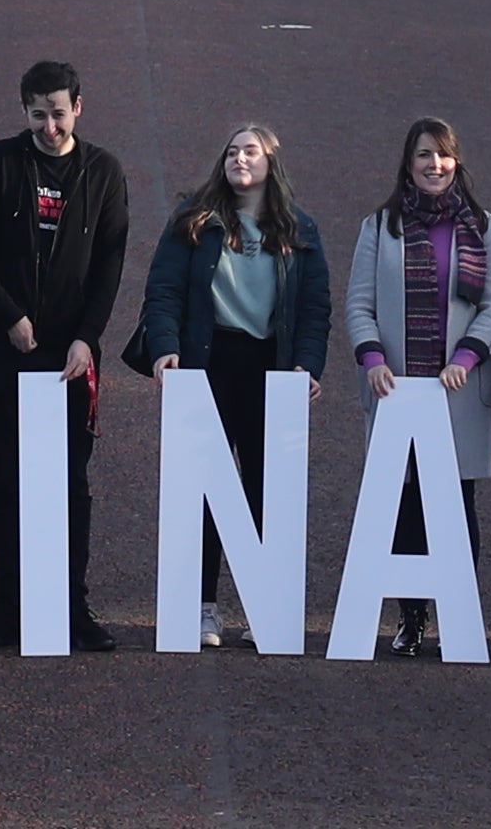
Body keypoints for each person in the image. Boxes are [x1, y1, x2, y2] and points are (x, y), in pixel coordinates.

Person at [0, 57, 133, 652]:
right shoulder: (0, 161)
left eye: (58, 114)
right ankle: (8, 611)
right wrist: (8, 315)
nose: (49, 127)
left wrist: (88, 337)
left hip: (70, 354)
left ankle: (72, 610)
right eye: (37, 115)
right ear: (23, 111)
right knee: (6, 482)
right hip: (6, 348)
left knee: (70, 483)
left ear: (79, 107)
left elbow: (110, 261)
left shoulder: (103, 171)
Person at [126, 122, 331, 649]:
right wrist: (165, 345)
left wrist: (308, 364)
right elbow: (164, 288)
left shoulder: (299, 229)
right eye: (233, 151)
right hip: (209, 361)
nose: (240, 158)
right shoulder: (195, 220)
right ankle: (202, 608)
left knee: (267, 489)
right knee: (204, 491)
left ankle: (268, 607)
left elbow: (314, 308)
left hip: (270, 366)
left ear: (271, 164)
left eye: (252, 151)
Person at [340, 115, 491, 659]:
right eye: (423, 156)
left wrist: (466, 357)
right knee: (405, 503)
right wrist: (371, 359)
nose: (434, 165)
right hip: (397, 389)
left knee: (458, 503)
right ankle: (411, 617)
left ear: (456, 161)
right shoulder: (380, 226)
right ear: (407, 164)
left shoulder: (484, 227)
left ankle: (459, 611)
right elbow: (359, 304)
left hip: (456, 389)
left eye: (442, 155)